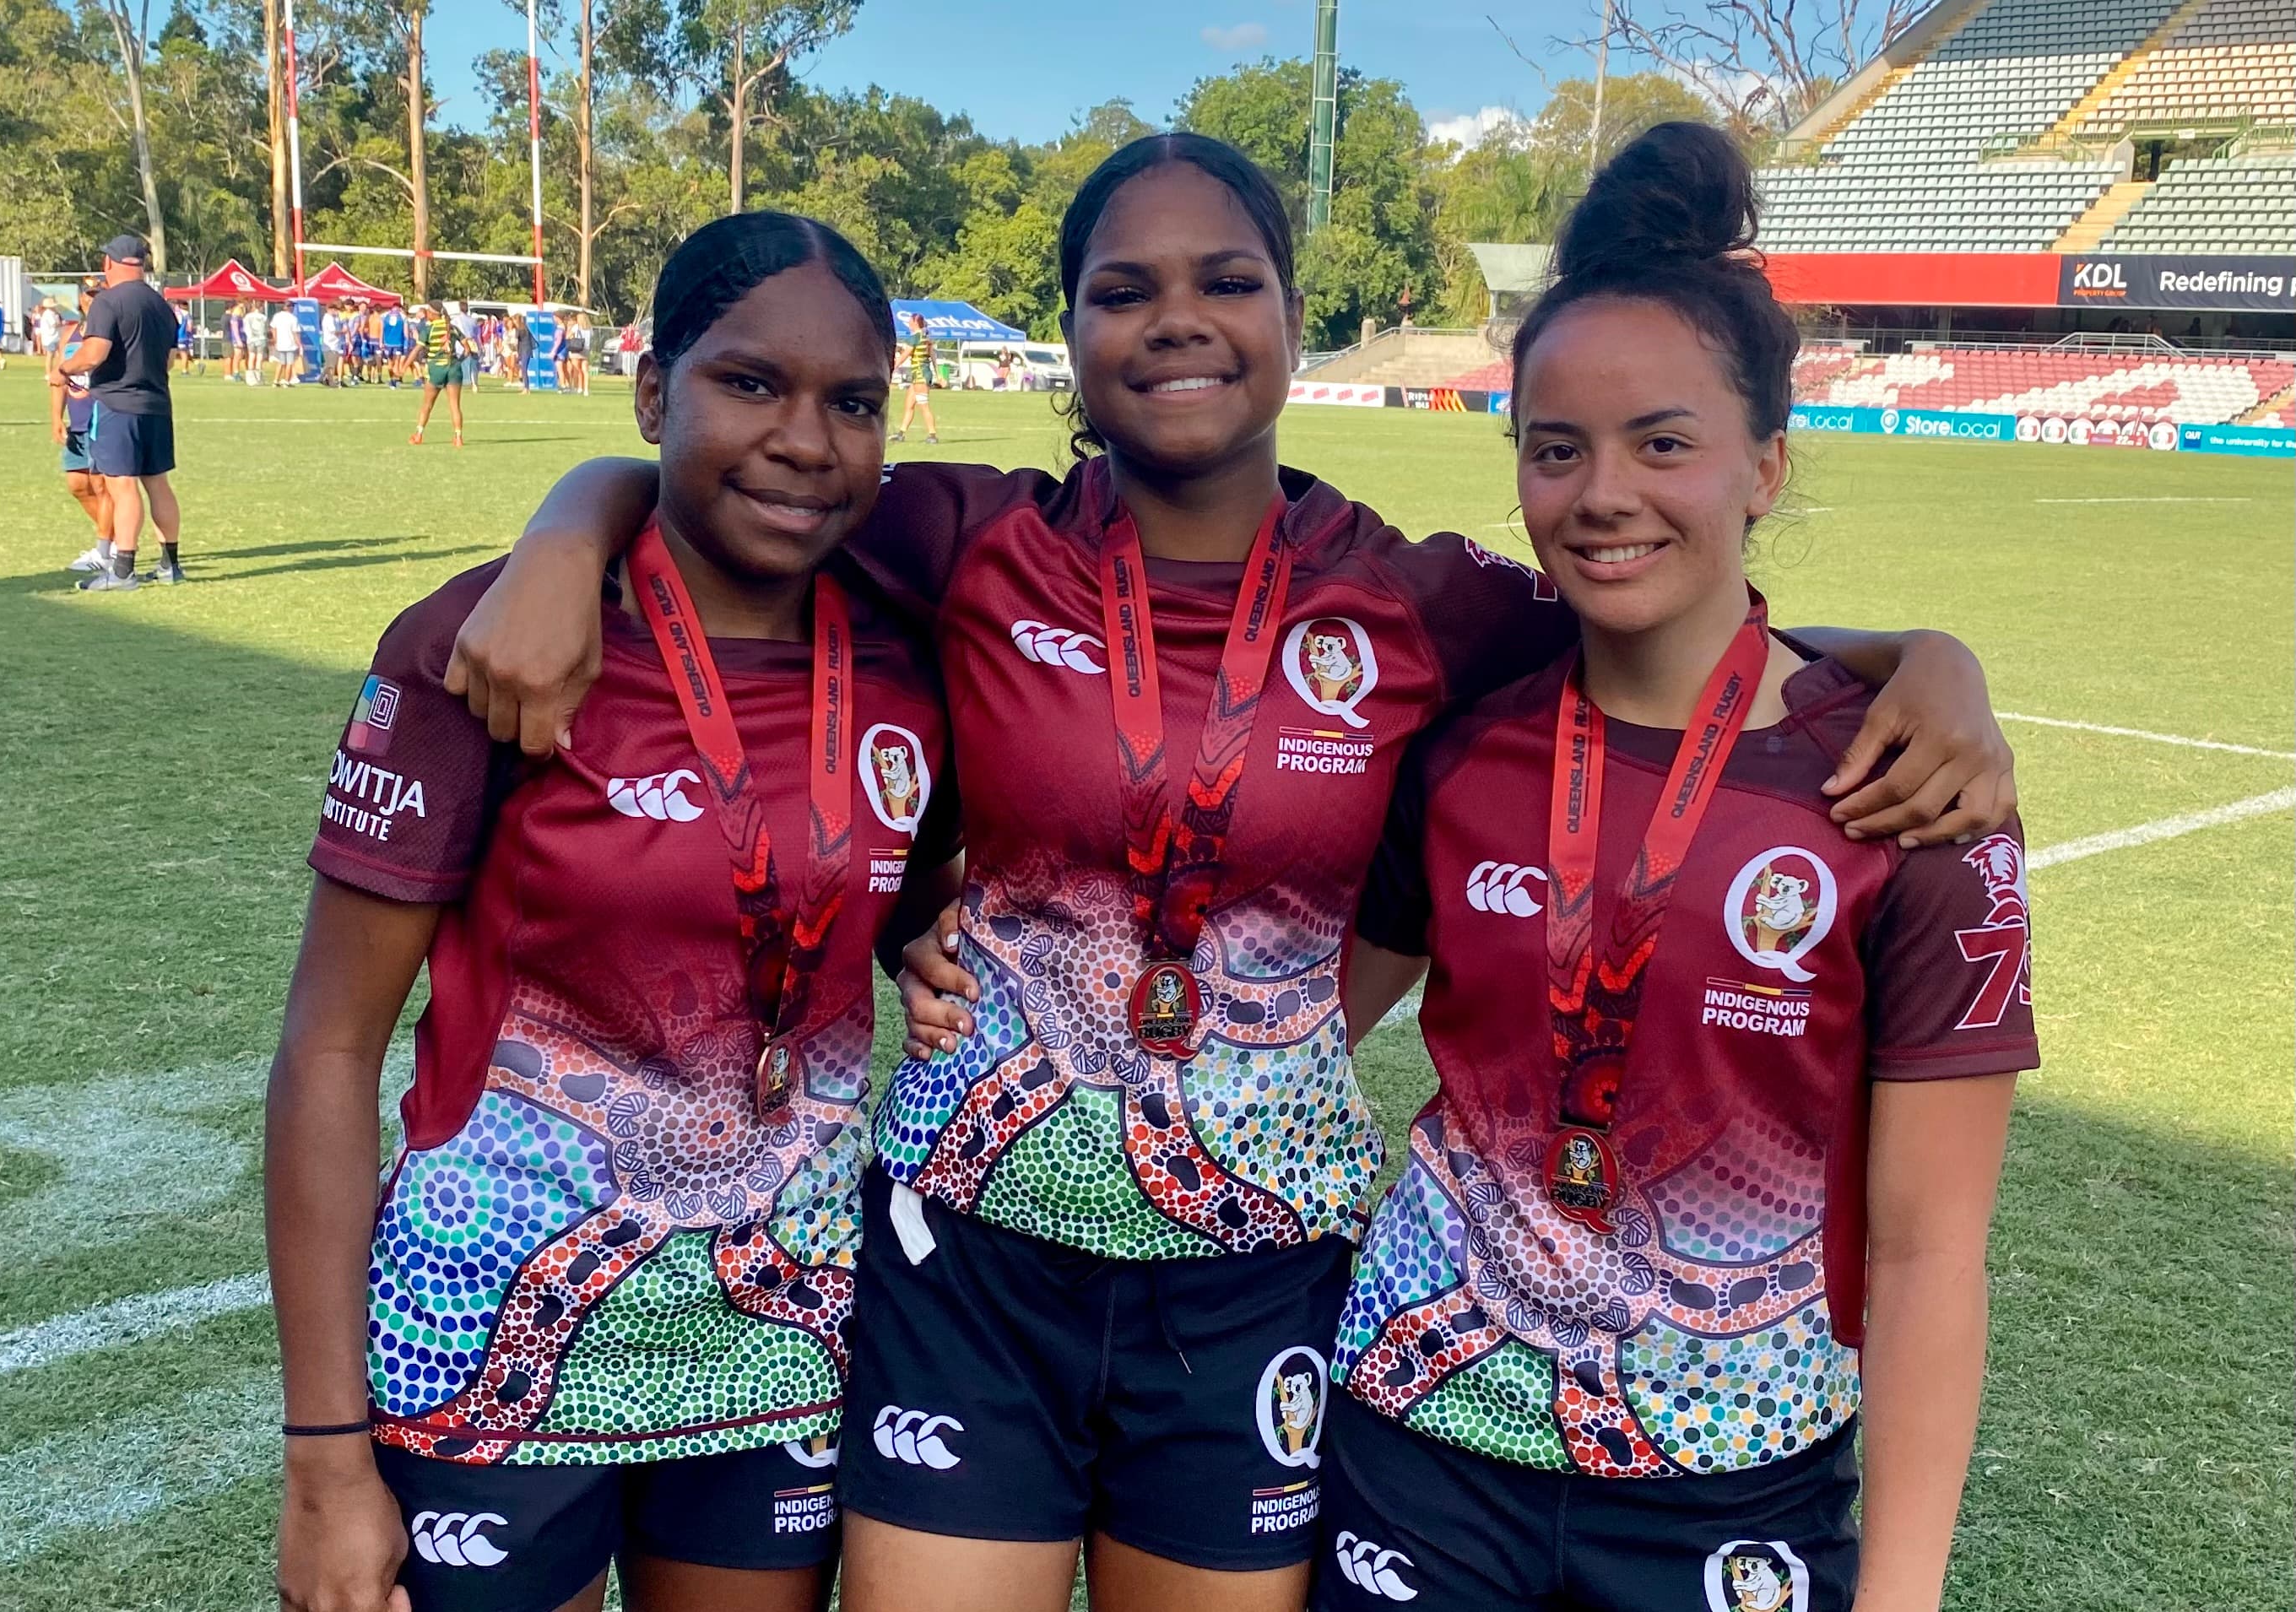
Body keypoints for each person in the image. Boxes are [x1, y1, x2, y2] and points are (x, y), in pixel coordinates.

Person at [439, 133, 2015, 1612]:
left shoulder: (1422, 602)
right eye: (1121, 289)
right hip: (965, 1255)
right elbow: (750, 478)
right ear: (1067, 327)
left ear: (1289, 311)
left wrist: (1926, 661)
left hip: (1252, 1276)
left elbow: (1681, 635)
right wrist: (569, 523)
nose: (1173, 322)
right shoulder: (967, 537)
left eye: (1224, 281)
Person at [1313, 123, 2036, 1612]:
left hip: (1735, 1480)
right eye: (1552, 447)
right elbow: (1293, 1013)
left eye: (1663, 443)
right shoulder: (1461, 744)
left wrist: (1895, 1596)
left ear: (1763, 462)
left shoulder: (1904, 795)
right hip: (1418, 1434)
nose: (1600, 496)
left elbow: (1922, 1258)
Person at [268, 211, 957, 1612]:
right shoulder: (489, 650)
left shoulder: (906, 657)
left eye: (852, 403)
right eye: (749, 383)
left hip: (778, 1345)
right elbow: (330, 1054)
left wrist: (909, 937)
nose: (805, 440)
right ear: (653, 391)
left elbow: (878, 867)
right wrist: (326, 1463)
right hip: (486, 1339)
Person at [58, 234, 181, 591]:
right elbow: (169, 361)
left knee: (121, 485)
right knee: (158, 484)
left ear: (109, 264)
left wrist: (65, 369)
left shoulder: (107, 302)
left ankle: (123, 571)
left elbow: (94, 353)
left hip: (116, 406)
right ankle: (170, 565)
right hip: (157, 405)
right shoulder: (162, 305)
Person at [51, 284, 116, 573]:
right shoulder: (70, 333)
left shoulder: (110, 330)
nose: (93, 299)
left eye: (99, 294)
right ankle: (114, 538)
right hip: (77, 421)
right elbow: (58, 377)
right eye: (90, 294)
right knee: (77, 485)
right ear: (81, 299)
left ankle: (108, 548)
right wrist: (56, 417)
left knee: (103, 485)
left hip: (103, 417)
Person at [408, 300, 474, 447]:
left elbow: (417, 350)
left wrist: (405, 365)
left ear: (432, 313)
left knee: (427, 405)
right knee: (454, 405)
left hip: (436, 369)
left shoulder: (428, 329)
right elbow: (467, 349)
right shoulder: (452, 328)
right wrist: (458, 360)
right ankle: (458, 437)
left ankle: (418, 435)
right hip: (454, 368)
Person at [888, 312, 937, 444]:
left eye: (910, 321)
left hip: (920, 375)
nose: (908, 324)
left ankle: (932, 434)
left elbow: (904, 355)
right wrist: (938, 375)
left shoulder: (915, 338)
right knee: (909, 405)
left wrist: (892, 367)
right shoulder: (926, 337)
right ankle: (901, 434)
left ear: (915, 322)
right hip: (921, 375)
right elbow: (933, 357)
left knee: (923, 406)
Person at [271, 300, 303, 387]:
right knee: (289, 363)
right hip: (290, 344)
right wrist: (300, 344)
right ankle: (286, 381)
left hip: (280, 343)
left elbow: (273, 329)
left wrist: (275, 340)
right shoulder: (293, 318)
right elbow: (295, 333)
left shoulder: (277, 316)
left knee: (281, 363)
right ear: (290, 308)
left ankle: (275, 381)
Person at [379, 302, 409, 385]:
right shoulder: (403, 317)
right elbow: (406, 333)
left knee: (390, 363)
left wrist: (381, 342)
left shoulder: (384, 316)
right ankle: (394, 381)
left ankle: (392, 379)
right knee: (397, 362)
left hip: (387, 343)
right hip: (399, 343)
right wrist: (407, 343)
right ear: (400, 308)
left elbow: (381, 330)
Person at [244, 298, 271, 385]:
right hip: (261, 338)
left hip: (251, 339)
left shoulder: (247, 317)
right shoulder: (263, 317)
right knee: (259, 357)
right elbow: (266, 329)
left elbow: (246, 328)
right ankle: (258, 377)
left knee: (251, 356)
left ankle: (250, 378)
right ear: (261, 307)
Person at [225, 300, 246, 381]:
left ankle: (237, 372)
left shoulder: (240, 317)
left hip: (241, 337)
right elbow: (235, 330)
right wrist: (238, 340)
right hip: (237, 339)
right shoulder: (235, 318)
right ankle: (235, 373)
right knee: (237, 356)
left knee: (239, 356)